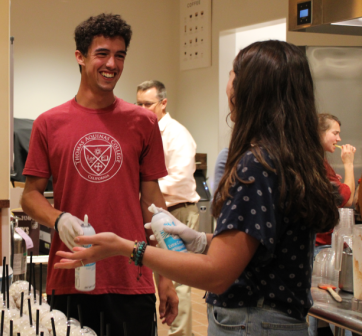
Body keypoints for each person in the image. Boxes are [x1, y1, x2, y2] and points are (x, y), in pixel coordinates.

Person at [55, 40, 340, 335]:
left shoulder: (256, 165)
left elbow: (217, 275)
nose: (228, 82)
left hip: (252, 321)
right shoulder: (290, 157)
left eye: (233, 72)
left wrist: (126, 248)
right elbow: (258, 244)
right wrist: (203, 241)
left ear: (249, 89)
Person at [20, 13, 178, 336]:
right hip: (69, 278)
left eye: (120, 55)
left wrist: (166, 275)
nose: (112, 64)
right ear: (80, 57)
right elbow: (29, 195)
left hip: (131, 279)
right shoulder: (48, 123)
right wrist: (58, 218)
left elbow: (153, 205)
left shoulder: (142, 123)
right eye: (102, 54)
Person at [136, 80, 199, 336]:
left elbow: (179, 179)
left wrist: (143, 188)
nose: (141, 109)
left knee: (179, 280)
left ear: (163, 103)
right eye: (138, 103)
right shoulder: (143, 129)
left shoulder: (177, 134)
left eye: (147, 104)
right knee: (160, 279)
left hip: (177, 211)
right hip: (154, 211)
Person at [315, 114, 356, 246]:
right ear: (319, 133)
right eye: (335, 133)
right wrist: (348, 164)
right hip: (322, 244)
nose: (339, 139)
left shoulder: (317, 160)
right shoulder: (318, 163)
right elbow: (347, 200)